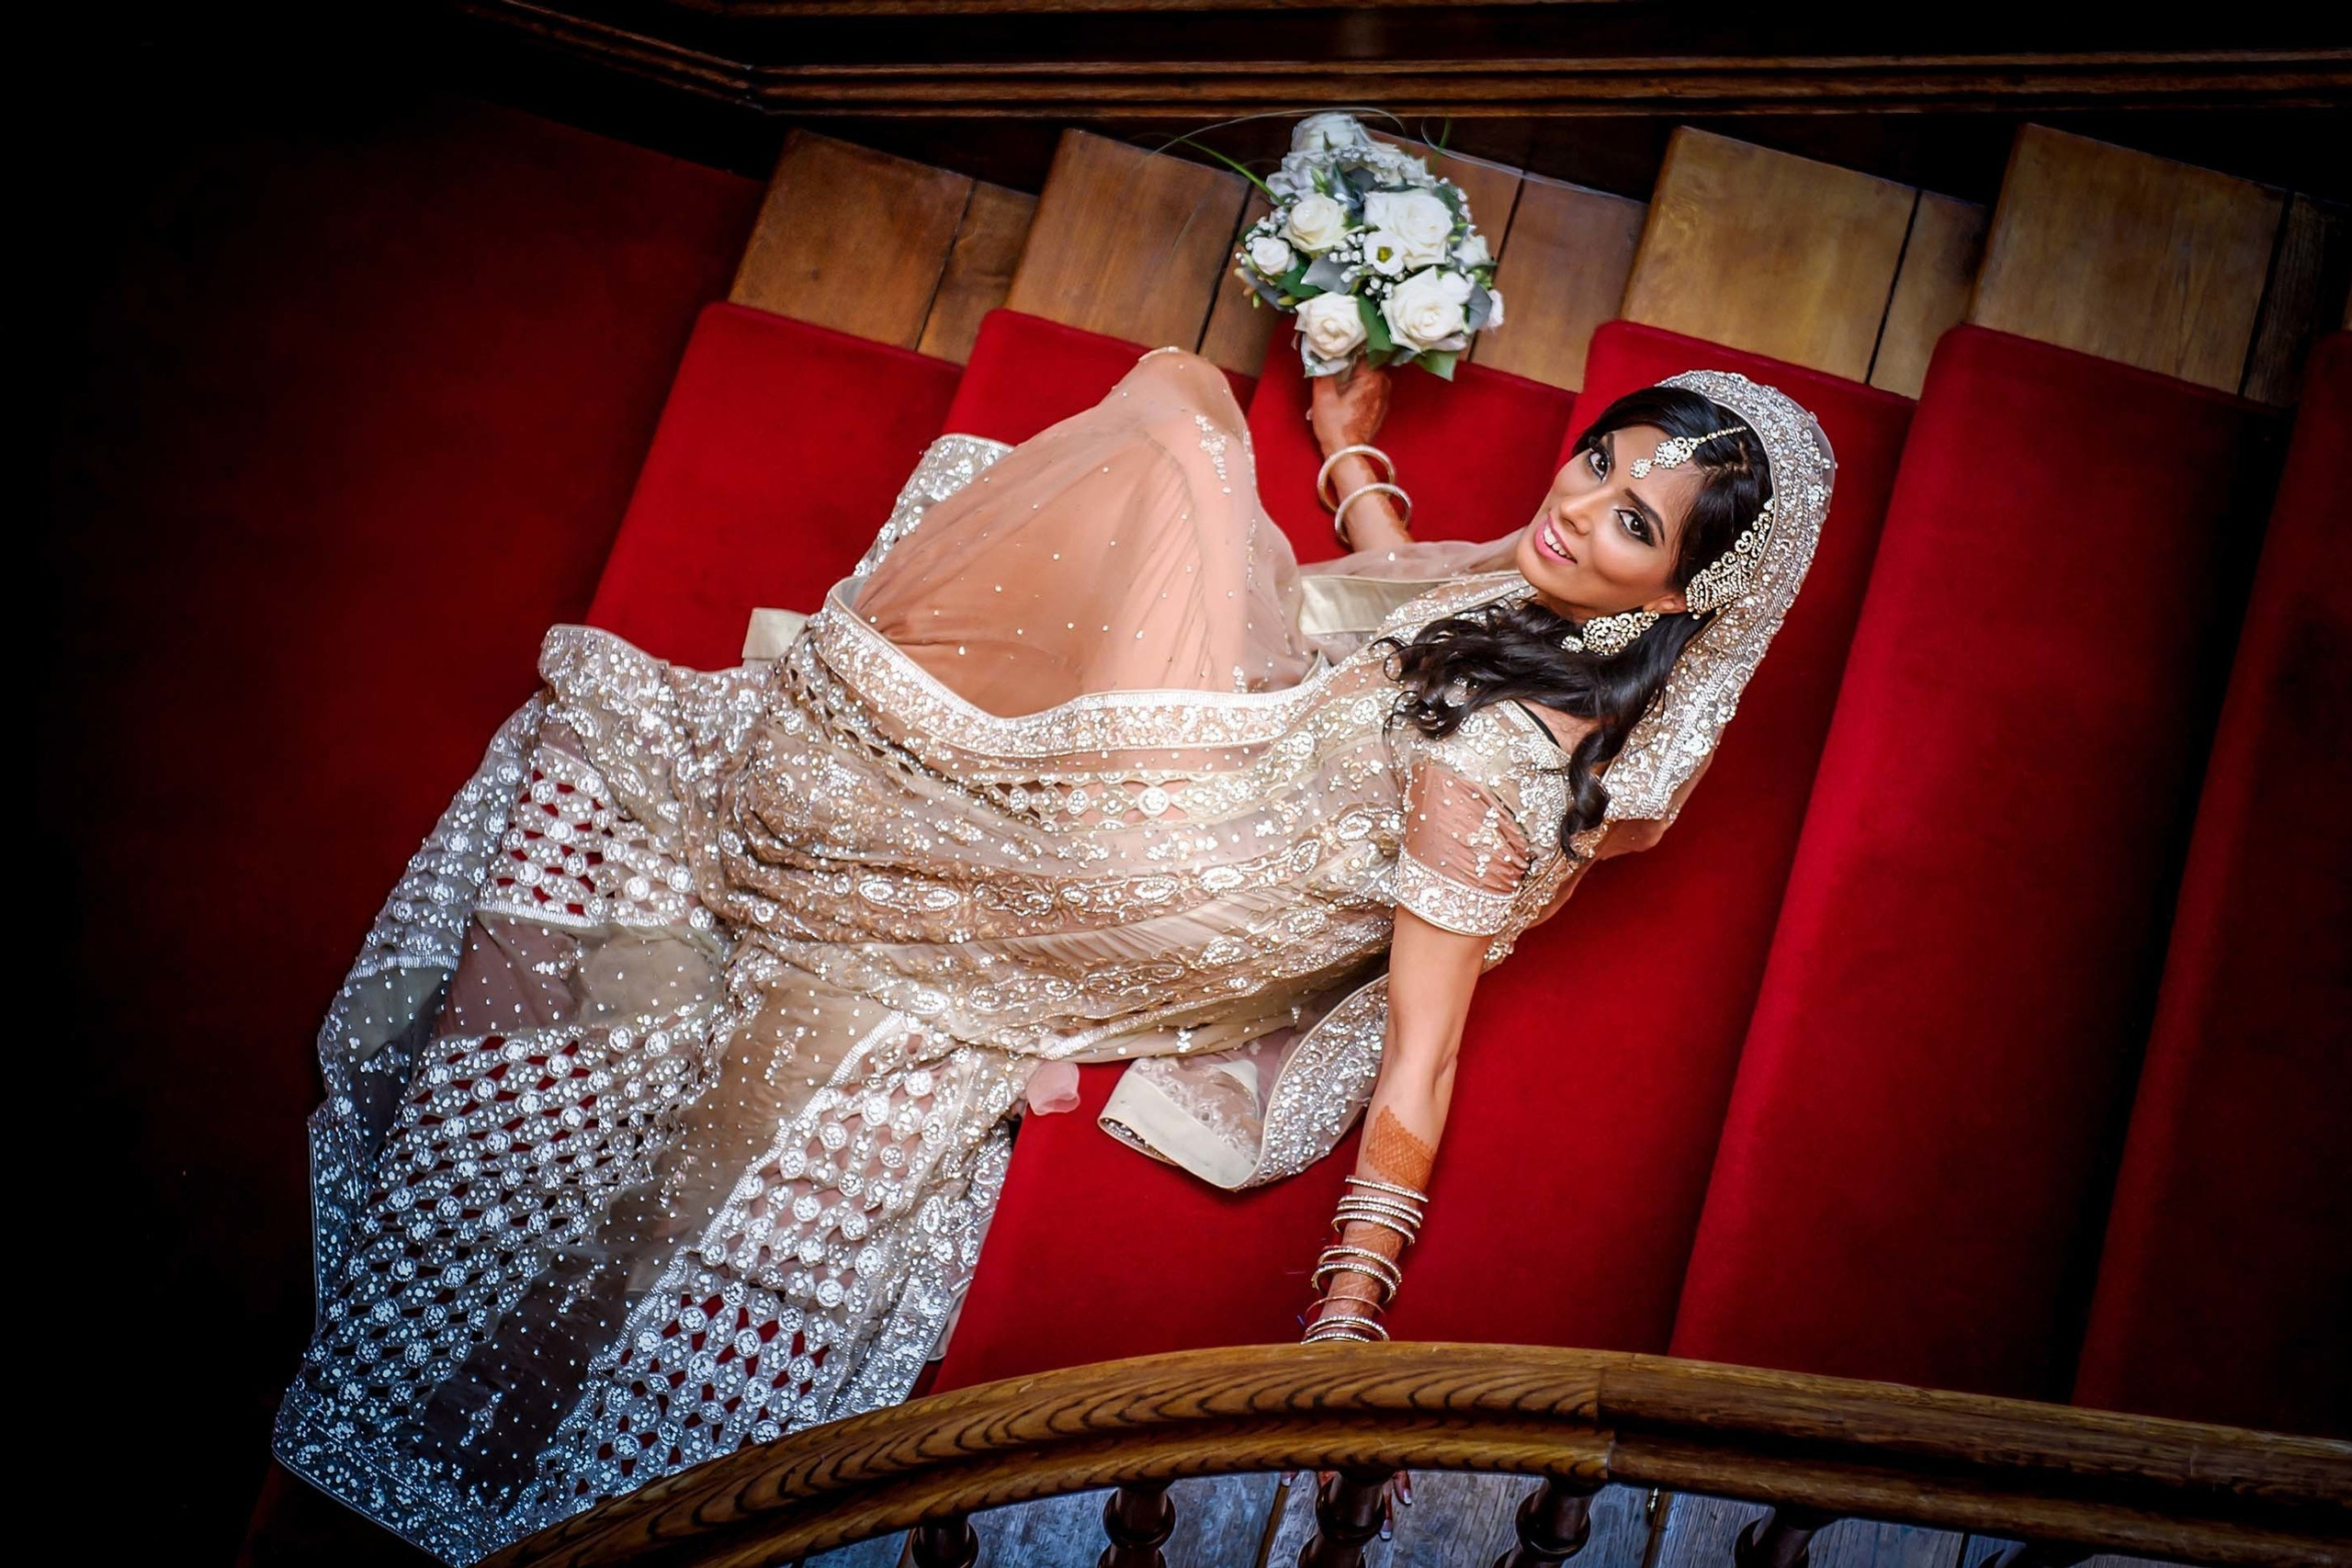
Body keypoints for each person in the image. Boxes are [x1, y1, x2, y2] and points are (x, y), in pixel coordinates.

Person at [274, 344, 1833, 1563]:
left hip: (1171, 878)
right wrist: (1353, 442)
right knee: (1155, 441)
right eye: (1601, 458)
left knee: (1156, 448)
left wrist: (1348, 1327)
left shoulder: (1498, 765)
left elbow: (1423, 1053)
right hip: (1253, 780)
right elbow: (1419, 596)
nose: (1579, 505)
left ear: (1689, 590)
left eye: (1633, 518)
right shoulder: (1568, 610)